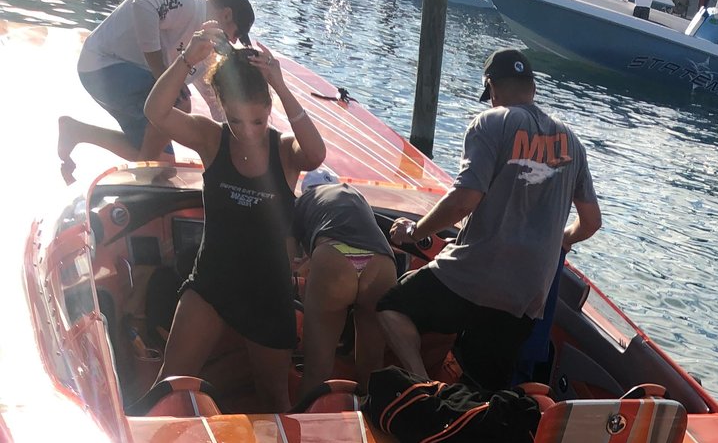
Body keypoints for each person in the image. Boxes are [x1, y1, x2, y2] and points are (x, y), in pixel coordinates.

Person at [378, 48, 601, 394]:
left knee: (390, 307)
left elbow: (464, 200)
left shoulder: (492, 122)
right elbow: (591, 222)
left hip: (475, 276)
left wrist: (414, 231)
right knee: (484, 388)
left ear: (492, 88)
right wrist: (562, 238)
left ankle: (424, 388)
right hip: (528, 294)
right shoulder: (572, 143)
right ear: (533, 88)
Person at [143, 30, 326, 411]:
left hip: (268, 291)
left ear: (269, 109)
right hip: (213, 282)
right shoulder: (211, 139)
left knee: (273, 396)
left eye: (257, 121)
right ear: (221, 107)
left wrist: (281, 85)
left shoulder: (284, 151)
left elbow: (316, 153)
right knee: (171, 384)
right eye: (236, 121)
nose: (247, 132)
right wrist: (187, 59)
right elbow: (155, 112)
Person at [58, 0, 254, 182]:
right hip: (102, 65)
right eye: (236, 34)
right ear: (227, 15)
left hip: (126, 79)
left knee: (163, 165)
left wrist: (241, 140)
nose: (232, 42)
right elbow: (142, 4)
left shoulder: (206, 47)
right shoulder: (186, 4)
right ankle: (143, 178)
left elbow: (214, 101)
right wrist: (160, 72)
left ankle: (76, 131)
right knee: (177, 100)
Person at [292, 171, 399, 404]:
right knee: (372, 367)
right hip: (381, 261)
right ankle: (370, 418)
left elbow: (288, 260)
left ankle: (304, 421)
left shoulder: (303, 203)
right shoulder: (355, 195)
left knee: (317, 369)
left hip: (334, 257)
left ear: (307, 190)